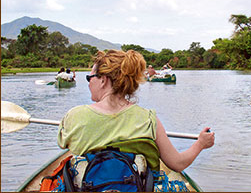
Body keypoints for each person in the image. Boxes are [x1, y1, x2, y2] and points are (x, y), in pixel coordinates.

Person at [57, 49, 214, 173]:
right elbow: (177, 164)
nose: (89, 84)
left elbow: (63, 144)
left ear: (104, 80)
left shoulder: (74, 116)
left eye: (89, 78)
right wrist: (201, 143)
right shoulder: (148, 119)